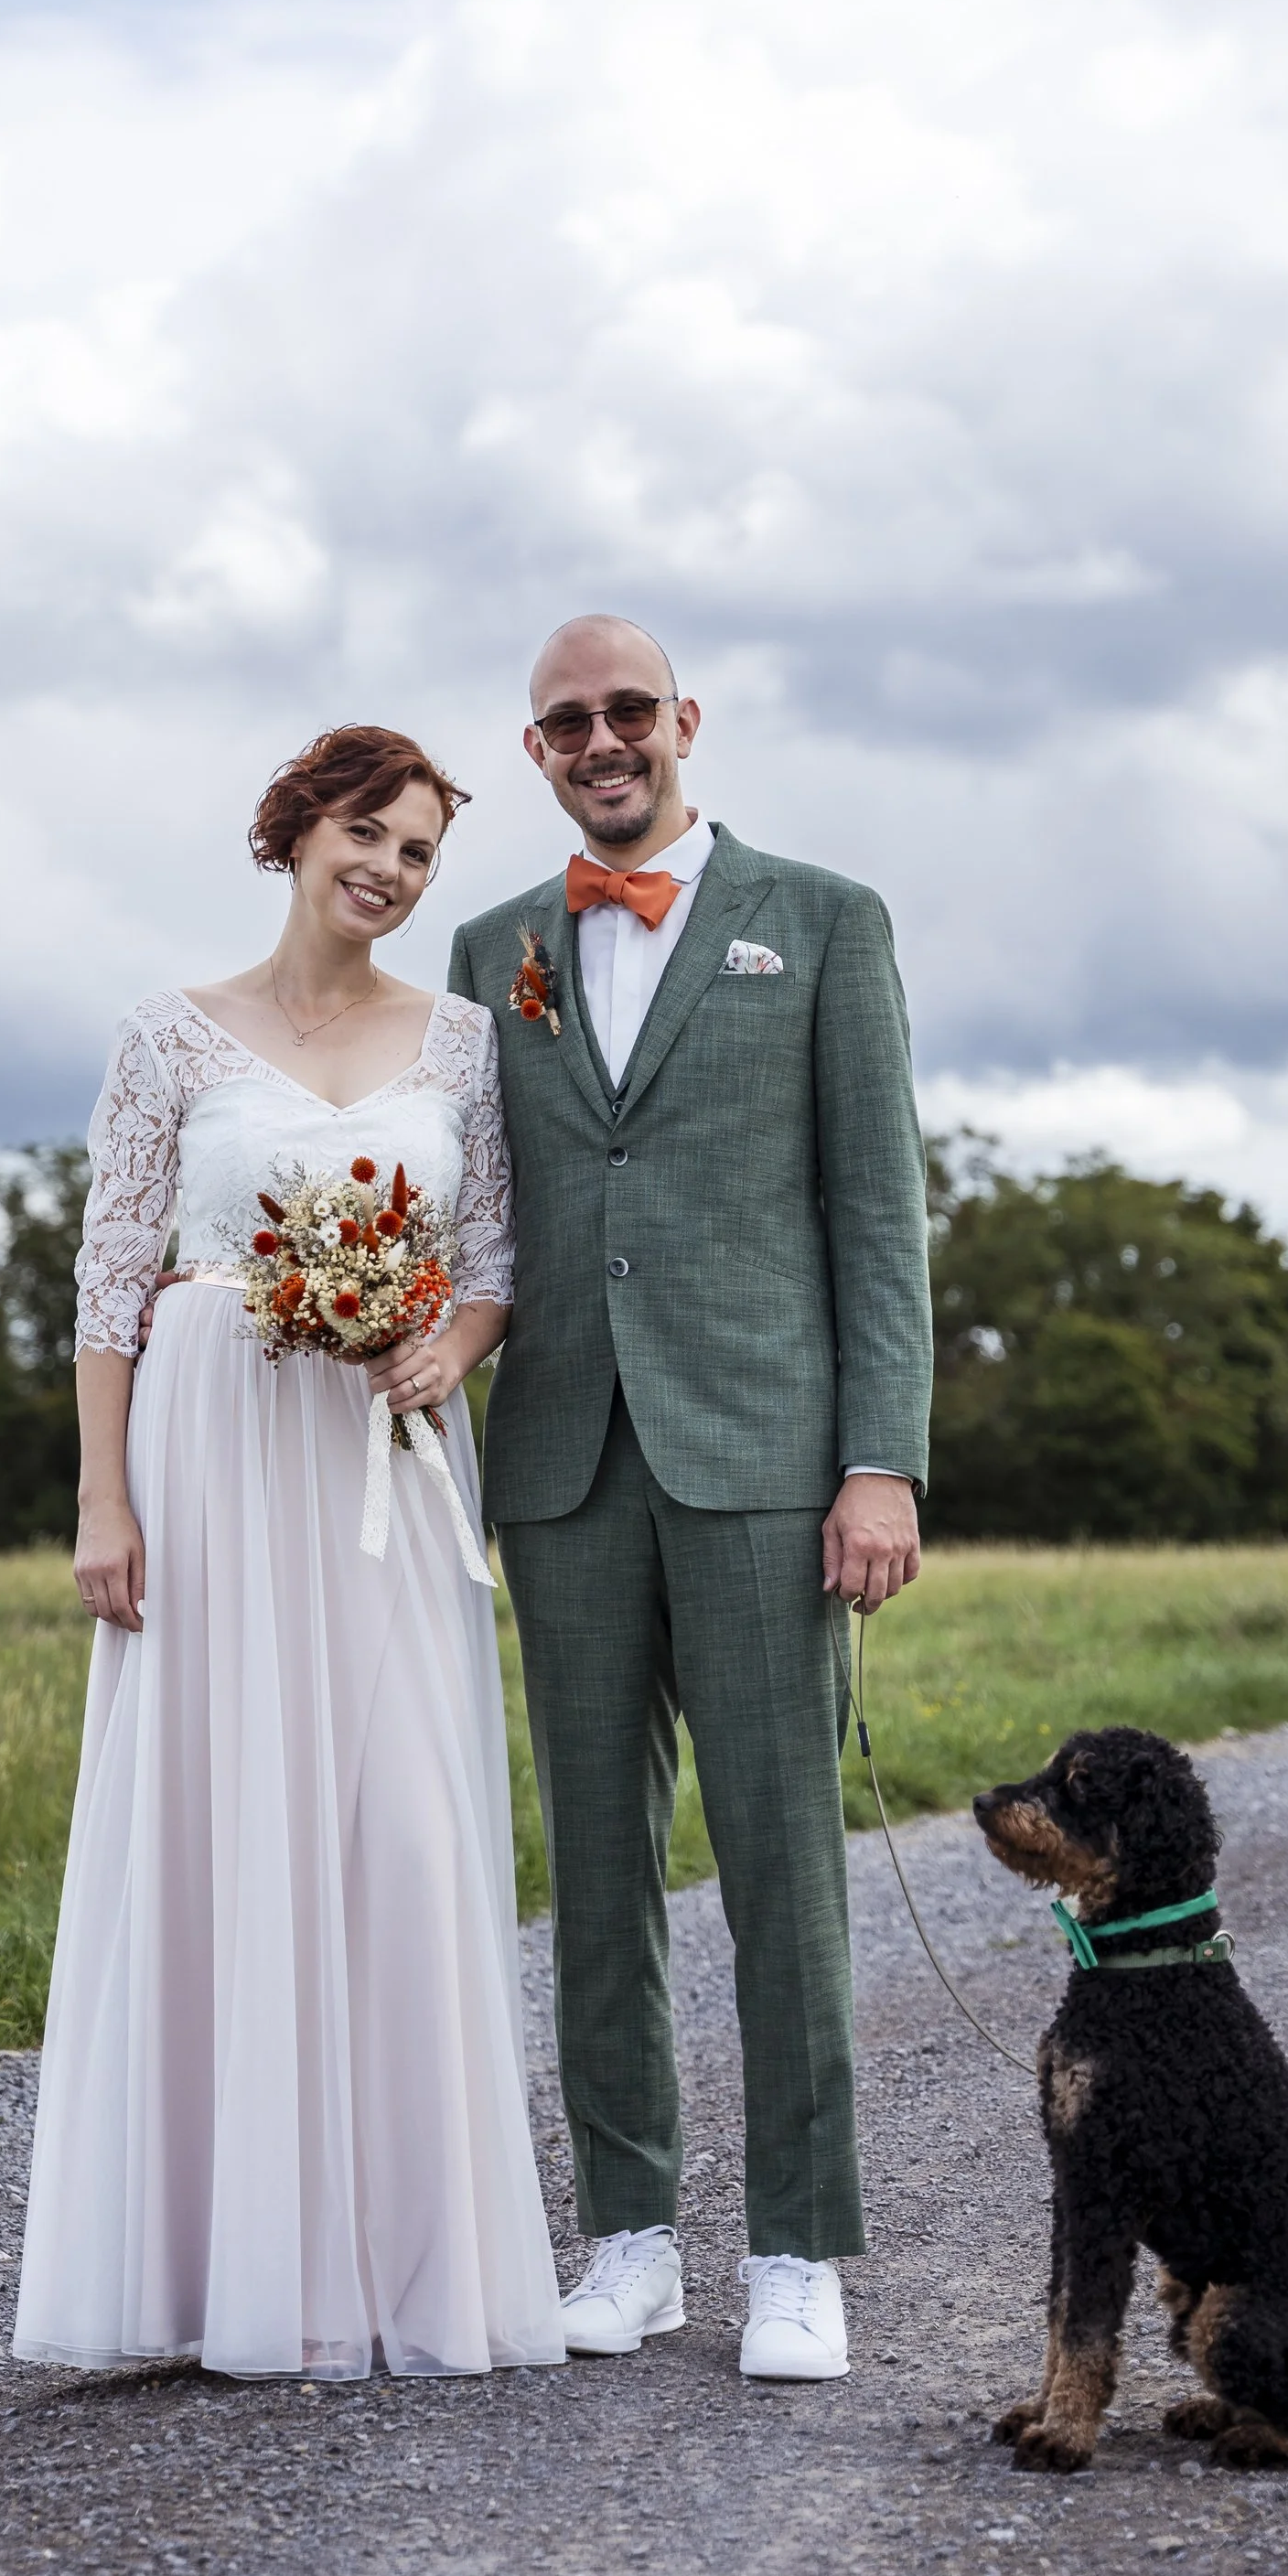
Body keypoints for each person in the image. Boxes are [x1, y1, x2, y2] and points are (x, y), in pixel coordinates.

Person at [13, 726, 565, 2382]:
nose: (388, 869)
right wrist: (104, 1501)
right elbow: (112, 1280)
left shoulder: (464, 1041)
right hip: (205, 1452)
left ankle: (400, 2263)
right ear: (295, 829)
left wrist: (447, 1352)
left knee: (402, 1827)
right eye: (365, 831)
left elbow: (493, 1260)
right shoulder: (169, 1035)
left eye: (417, 851)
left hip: (379, 1470)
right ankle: (210, 2267)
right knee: (214, 1825)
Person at [445, 617, 933, 2381]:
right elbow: (472, 1205)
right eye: (568, 722)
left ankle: (799, 2248)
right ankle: (632, 2235)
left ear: (683, 722)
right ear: (538, 749)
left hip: (765, 1464)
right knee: (592, 1867)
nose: (603, 741)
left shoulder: (824, 920)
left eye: (628, 711)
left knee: (784, 1864)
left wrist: (880, 1458)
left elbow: (879, 1218)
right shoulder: (492, 945)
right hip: (565, 1458)